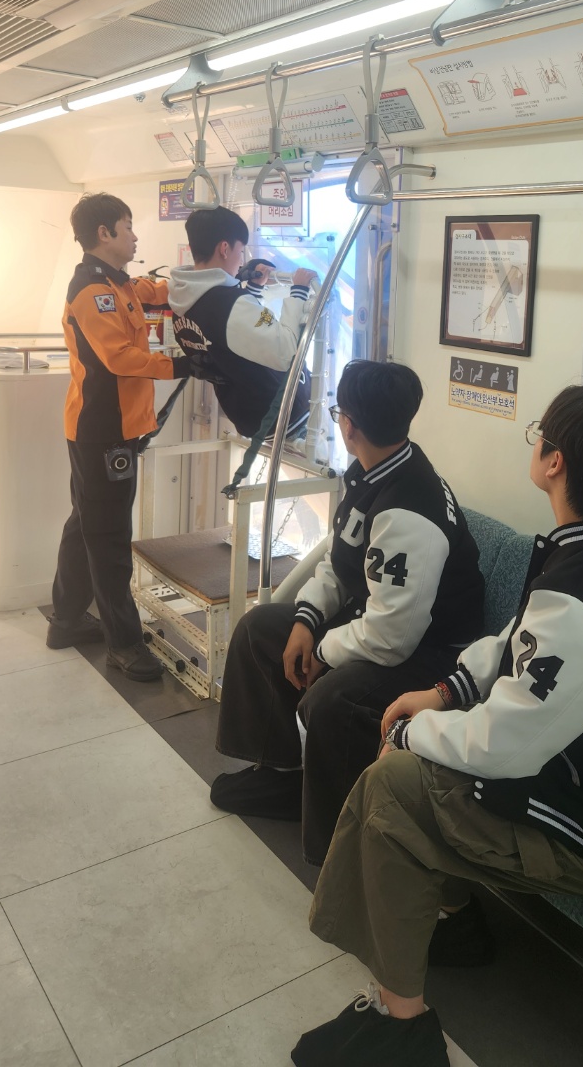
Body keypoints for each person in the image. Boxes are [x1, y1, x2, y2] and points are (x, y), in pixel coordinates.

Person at [293, 386, 583, 1067]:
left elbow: (504, 746)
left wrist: (407, 734)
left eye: (540, 432)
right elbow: (522, 635)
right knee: (417, 767)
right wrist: (445, 691)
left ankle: (403, 1025)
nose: (535, 443)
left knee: (392, 784)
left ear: (555, 461)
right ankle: (449, 925)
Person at [211, 359, 487, 866]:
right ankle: (283, 774)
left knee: (334, 700)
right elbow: (341, 562)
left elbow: (393, 638)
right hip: (380, 620)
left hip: (432, 652)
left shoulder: (408, 510)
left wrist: (322, 651)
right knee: (259, 630)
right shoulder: (370, 472)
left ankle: (338, 838)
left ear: (349, 425)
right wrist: (306, 621)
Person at [48, 193, 192, 681]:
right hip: (103, 431)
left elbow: (154, 290)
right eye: (127, 227)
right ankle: (125, 645)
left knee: (85, 522)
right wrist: (182, 364)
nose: (134, 236)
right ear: (104, 233)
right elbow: (120, 358)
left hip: (110, 428)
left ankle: (66, 620)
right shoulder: (93, 291)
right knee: (109, 537)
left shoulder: (118, 282)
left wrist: (205, 279)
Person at [168, 207, 315, 441]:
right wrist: (299, 291)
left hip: (246, 416)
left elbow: (233, 337)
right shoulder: (229, 304)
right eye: (241, 250)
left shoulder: (181, 304)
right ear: (224, 249)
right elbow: (288, 351)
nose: (242, 260)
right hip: (283, 416)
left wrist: (254, 290)